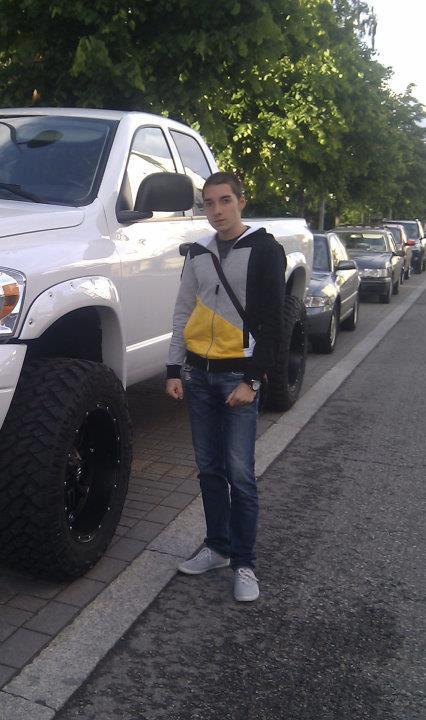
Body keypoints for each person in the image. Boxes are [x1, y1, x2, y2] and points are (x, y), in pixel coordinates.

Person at [164, 171, 285, 602]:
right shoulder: (198, 252)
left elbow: (274, 322)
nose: (216, 210)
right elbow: (183, 311)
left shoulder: (265, 250)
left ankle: (244, 563)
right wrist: (173, 369)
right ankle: (216, 547)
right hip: (198, 375)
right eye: (209, 203)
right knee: (209, 469)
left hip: (238, 378)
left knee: (240, 474)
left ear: (241, 201)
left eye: (224, 201)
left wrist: (253, 380)